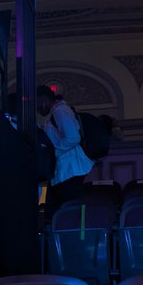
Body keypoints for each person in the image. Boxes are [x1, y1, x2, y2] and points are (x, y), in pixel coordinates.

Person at [36, 84, 94, 213]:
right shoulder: (57, 112)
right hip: (67, 171)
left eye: (37, 104)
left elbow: (73, 138)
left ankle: (71, 232)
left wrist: (53, 152)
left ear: (44, 100)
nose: (37, 109)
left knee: (70, 210)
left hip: (70, 171)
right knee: (66, 208)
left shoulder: (60, 111)